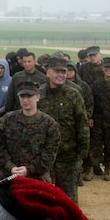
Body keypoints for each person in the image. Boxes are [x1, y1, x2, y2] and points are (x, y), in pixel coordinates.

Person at [36, 55, 89, 203]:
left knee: (68, 198)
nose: (61, 75)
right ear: (48, 72)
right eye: (56, 71)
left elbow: (82, 124)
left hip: (68, 155)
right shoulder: (39, 95)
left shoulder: (74, 94)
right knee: (43, 197)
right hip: (44, 156)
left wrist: (82, 152)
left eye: (63, 72)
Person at [0, 83, 60, 182]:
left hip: (37, 178)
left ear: (37, 97)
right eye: (22, 96)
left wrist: (29, 170)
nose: (25, 100)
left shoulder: (49, 124)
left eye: (29, 96)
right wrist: (10, 167)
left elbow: (49, 155)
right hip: (9, 177)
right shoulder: (6, 120)